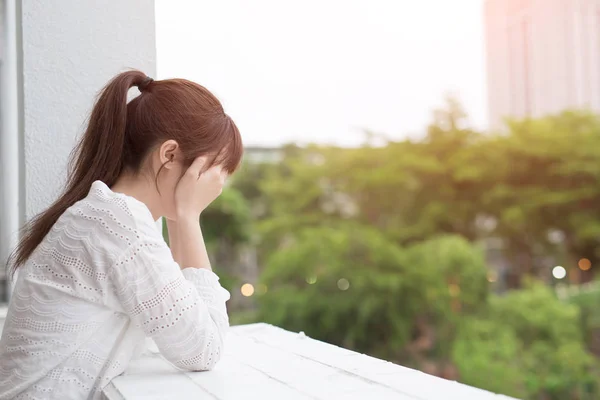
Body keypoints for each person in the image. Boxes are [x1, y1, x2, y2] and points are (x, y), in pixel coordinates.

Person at [0, 70, 242, 399]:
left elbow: (183, 322)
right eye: (214, 170)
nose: (217, 187)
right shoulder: (119, 225)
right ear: (169, 155)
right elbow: (204, 349)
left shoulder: (109, 214)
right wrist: (188, 216)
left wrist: (179, 216)